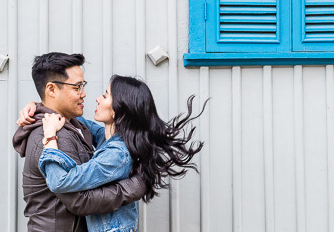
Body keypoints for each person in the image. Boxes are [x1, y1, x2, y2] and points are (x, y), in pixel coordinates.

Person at [19, 75, 207, 232]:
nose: (97, 99)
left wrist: (50, 137)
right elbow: (69, 115)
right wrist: (37, 106)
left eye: (105, 95)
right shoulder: (106, 138)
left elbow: (61, 181)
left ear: (118, 109)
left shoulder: (117, 154)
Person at [12, 52, 146, 232]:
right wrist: (133, 187)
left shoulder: (71, 125)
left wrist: (36, 105)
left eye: (83, 85)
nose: (84, 94)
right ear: (51, 89)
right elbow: (80, 201)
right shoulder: (55, 135)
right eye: (77, 87)